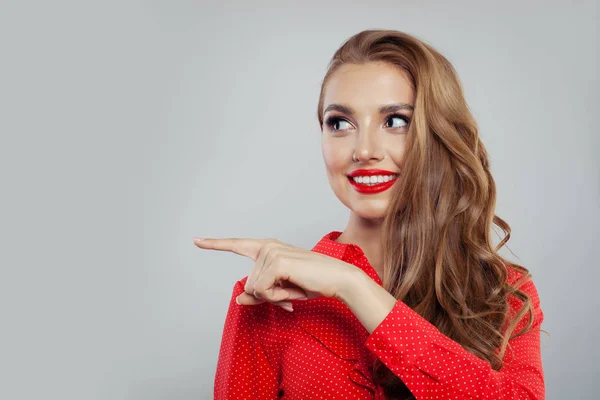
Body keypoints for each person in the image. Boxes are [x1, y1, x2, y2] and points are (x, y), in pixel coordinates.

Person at [194, 29, 545, 399]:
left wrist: (354, 287)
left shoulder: (502, 293)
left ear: (441, 135)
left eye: (395, 120)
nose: (364, 150)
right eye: (340, 124)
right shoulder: (268, 298)